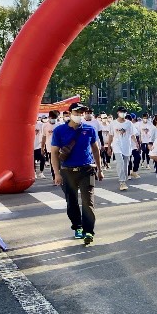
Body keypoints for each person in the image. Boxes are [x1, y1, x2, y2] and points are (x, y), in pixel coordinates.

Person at [50, 102, 104, 245]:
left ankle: (89, 231)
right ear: (69, 113)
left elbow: (95, 149)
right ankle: (77, 226)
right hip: (67, 171)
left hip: (87, 170)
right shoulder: (59, 130)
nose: (80, 115)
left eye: (82, 113)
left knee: (88, 201)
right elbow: (54, 153)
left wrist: (100, 169)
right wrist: (57, 173)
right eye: (77, 112)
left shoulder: (89, 129)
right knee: (72, 201)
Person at [109, 107, 135, 191]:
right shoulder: (113, 123)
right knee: (120, 162)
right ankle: (122, 181)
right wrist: (109, 147)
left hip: (126, 146)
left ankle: (124, 178)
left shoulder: (129, 123)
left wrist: (137, 143)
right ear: (117, 113)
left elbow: (132, 134)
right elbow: (111, 135)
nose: (122, 113)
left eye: (124, 112)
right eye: (121, 112)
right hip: (117, 145)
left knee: (125, 164)